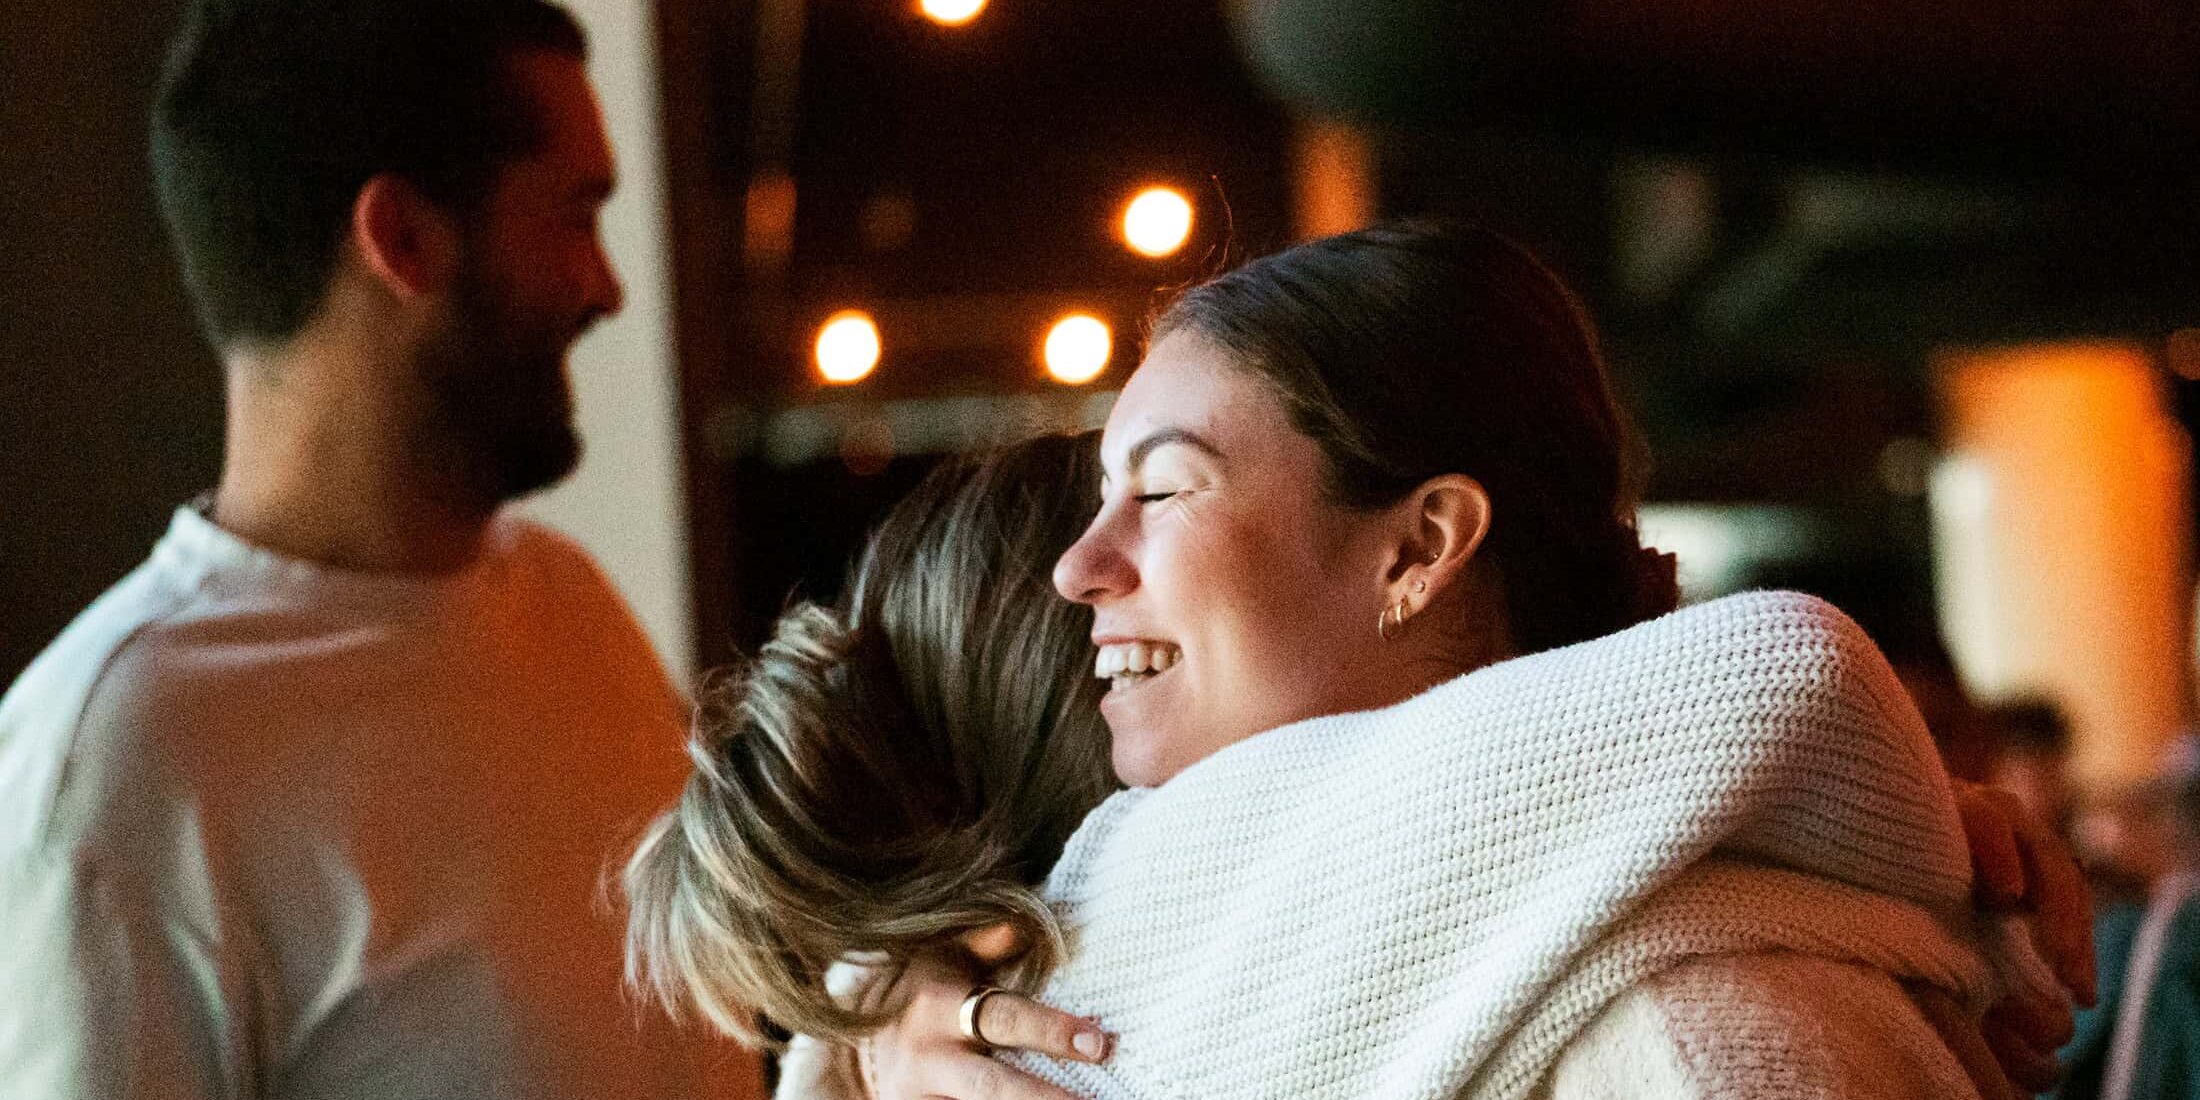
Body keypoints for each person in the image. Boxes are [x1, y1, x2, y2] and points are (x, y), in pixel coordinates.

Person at [628, 225, 2091, 1099]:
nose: (1091, 569)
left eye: (1167, 488)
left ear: (1418, 547)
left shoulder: (1700, 1013)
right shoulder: (1062, 1035)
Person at [0, 1, 734, 1095]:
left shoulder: (569, 601)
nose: (606, 286)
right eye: (576, 217)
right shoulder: (116, 760)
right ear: (401, 237)